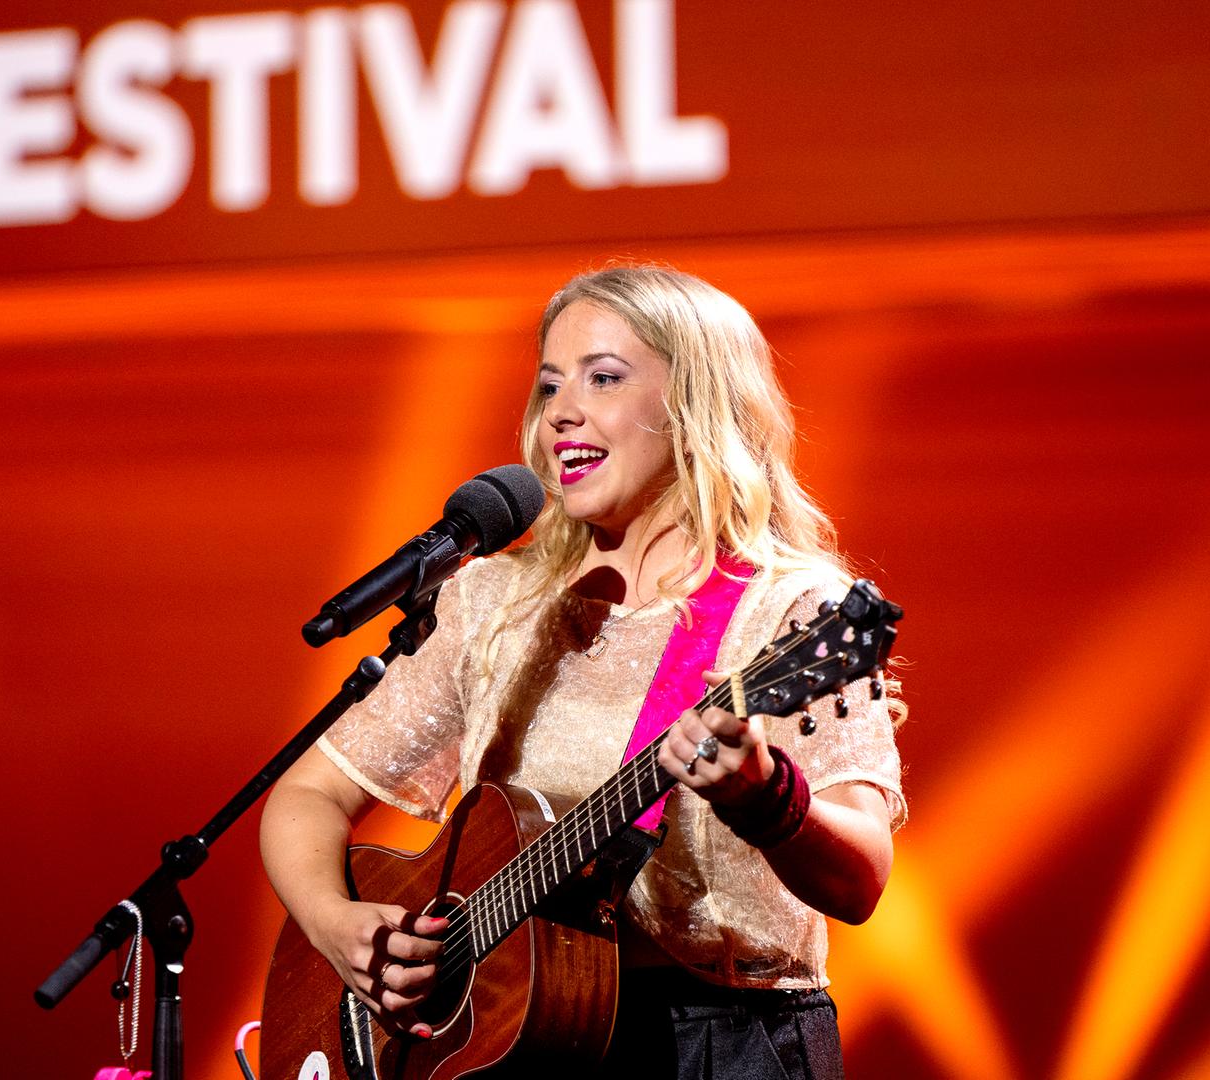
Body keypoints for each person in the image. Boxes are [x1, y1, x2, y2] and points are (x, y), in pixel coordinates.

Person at [258, 264, 906, 1080]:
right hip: (514, 1046)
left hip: (721, 1045)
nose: (562, 410)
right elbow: (308, 796)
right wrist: (339, 926)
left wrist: (767, 796)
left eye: (604, 378)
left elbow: (860, 883)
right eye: (550, 385)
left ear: (693, 407)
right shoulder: (496, 601)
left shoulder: (791, 613)